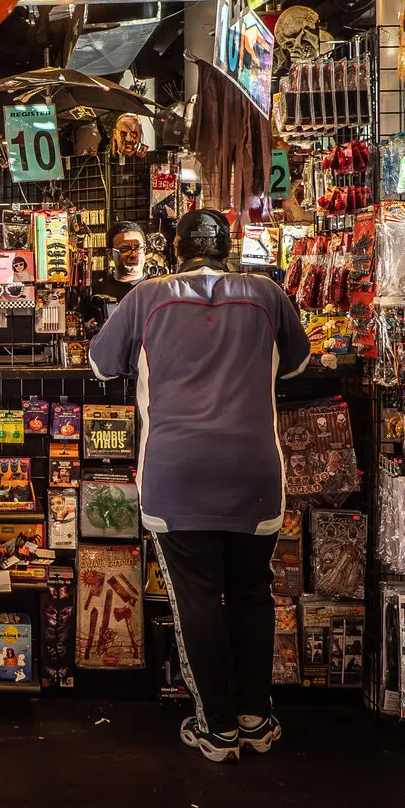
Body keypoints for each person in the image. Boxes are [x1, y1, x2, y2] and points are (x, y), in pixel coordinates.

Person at [88, 208, 311, 762]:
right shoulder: (267, 294)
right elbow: (296, 366)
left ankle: (217, 727)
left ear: (174, 246)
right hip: (254, 472)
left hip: (176, 473)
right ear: (228, 245)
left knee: (198, 603)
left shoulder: (145, 296)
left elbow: (101, 364)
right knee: (253, 593)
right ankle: (257, 718)